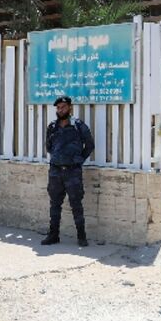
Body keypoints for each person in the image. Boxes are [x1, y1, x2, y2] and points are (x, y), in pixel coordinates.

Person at [42, 96, 95, 247]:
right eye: (58, 108)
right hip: (55, 171)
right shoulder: (52, 126)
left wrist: (78, 160)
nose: (60, 110)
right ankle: (53, 235)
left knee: (76, 204)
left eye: (63, 107)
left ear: (70, 108)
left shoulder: (78, 126)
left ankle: (81, 236)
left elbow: (90, 145)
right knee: (54, 204)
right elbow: (49, 147)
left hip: (72, 172)